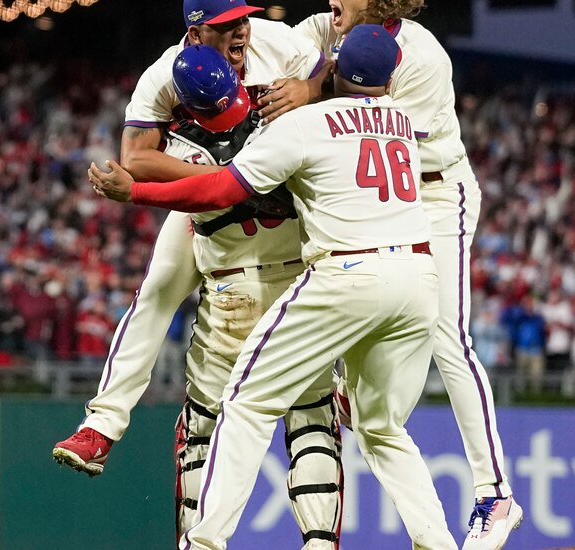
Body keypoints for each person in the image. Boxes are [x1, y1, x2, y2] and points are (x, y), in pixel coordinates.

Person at [90, 25, 456, 550]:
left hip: (348, 277)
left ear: (335, 72)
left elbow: (220, 187)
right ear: (389, 75)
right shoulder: (402, 120)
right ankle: (437, 543)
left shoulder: (308, 124)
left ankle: (205, 541)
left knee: (243, 401)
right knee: (383, 429)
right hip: (419, 283)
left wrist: (139, 192)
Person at [59, 46, 344, 548]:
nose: (240, 32)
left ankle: (102, 430)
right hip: (297, 279)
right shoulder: (287, 116)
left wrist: (151, 187)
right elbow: (330, 52)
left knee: (199, 425)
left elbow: (166, 174)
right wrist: (311, 86)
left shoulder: (181, 143)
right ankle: (321, 541)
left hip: (228, 282)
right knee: (312, 416)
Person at [292, 2, 522, 547]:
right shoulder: (325, 28)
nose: (330, 2)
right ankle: (352, 387)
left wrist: (307, 92)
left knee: (448, 336)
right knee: (357, 292)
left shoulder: (422, 58)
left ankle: (496, 493)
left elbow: (369, 136)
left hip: (438, 192)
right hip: (382, 194)